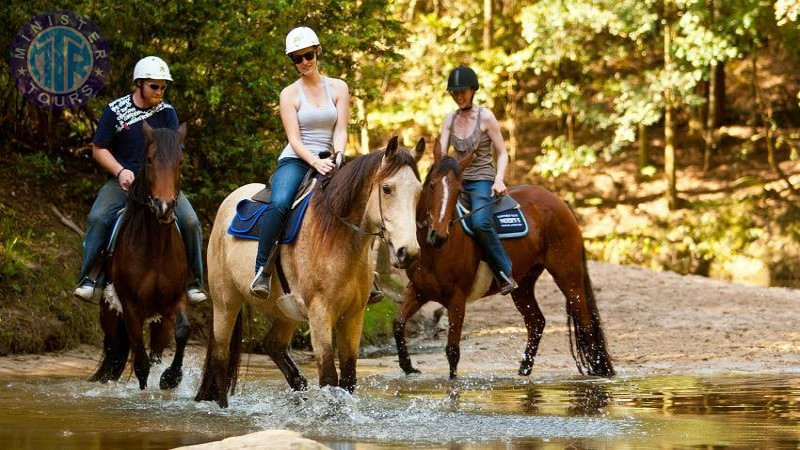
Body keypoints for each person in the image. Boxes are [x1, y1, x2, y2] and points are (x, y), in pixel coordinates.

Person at [74, 56, 207, 305]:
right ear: (139, 84)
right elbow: (99, 148)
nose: (159, 91)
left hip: (159, 183)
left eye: (163, 87)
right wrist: (120, 171)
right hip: (123, 182)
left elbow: (173, 152)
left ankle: (194, 281)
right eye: (154, 86)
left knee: (190, 223)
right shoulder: (115, 110)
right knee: (99, 217)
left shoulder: (167, 113)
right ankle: (90, 278)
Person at [249, 26, 348, 297]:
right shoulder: (289, 94)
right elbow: (294, 139)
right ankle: (262, 270)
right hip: (297, 159)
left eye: (308, 55)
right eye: (297, 58)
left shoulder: (338, 87)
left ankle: (366, 276)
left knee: (359, 199)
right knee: (280, 202)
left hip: (331, 158)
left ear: (317, 52)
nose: (304, 62)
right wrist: (316, 163)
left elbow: (340, 129)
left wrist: (338, 155)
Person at [437, 65, 517, 295]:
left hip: (481, 180)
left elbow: (502, 153)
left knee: (480, 222)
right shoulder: (449, 120)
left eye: (462, 91)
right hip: (456, 182)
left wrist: (499, 179)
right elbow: (442, 156)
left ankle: (504, 272)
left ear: (473, 90)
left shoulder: (486, 117)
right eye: (454, 92)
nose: (458, 96)